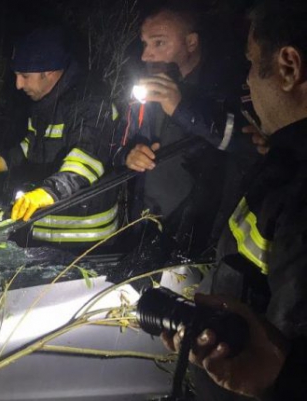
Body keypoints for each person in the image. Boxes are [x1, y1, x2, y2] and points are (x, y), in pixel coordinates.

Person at [162, 1, 307, 399]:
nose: (246, 83)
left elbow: (287, 348)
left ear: (289, 67)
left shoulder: (297, 189)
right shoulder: (283, 163)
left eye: (251, 63)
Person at [114, 1, 258, 257]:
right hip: (144, 225)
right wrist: (128, 153)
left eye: (159, 43)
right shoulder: (146, 87)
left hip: (199, 234)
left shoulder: (228, 85)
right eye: (145, 44)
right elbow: (118, 140)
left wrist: (182, 108)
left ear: (191, 42)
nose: (146, 55)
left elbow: (248, 144)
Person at [0, 27, 119, 247]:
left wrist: (49, 192)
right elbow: (32, 146)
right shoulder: (44, 103)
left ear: (51, 72)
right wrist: (2, 162)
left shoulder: (91, 102)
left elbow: (87, 159)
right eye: (17, 75)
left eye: (25, 76)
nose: (18, 85)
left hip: (85, 239)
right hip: (46, 231)